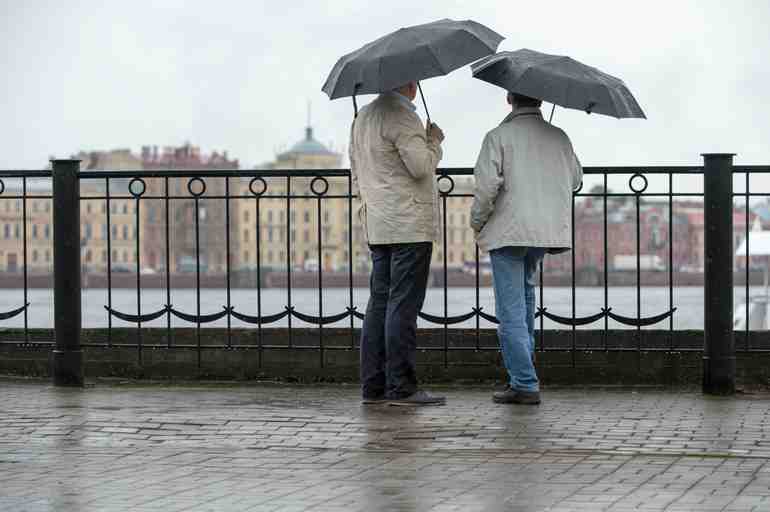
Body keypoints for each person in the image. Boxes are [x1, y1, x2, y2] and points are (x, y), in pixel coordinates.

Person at [470, 92, 582, 405]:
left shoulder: (498, 136)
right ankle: (524, 374)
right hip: (542, 232)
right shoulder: (559, 137)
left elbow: (486, 186)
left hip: (508, 232)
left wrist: (477, 222)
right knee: (526, 298)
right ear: (542, 101)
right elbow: (575, 180)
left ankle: (524, 382)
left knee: (511, 312)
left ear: (509, 98)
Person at [350, 80, 446, 406]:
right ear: (409, 84)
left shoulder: (362, 117)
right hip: (408, 223)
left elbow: (356, 172)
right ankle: (402, 387)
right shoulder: (403, 116)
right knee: (403, 305)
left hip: (377, 222)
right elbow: (420, 168)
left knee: (379, 304)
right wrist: (434, 142)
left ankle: (372, 386)